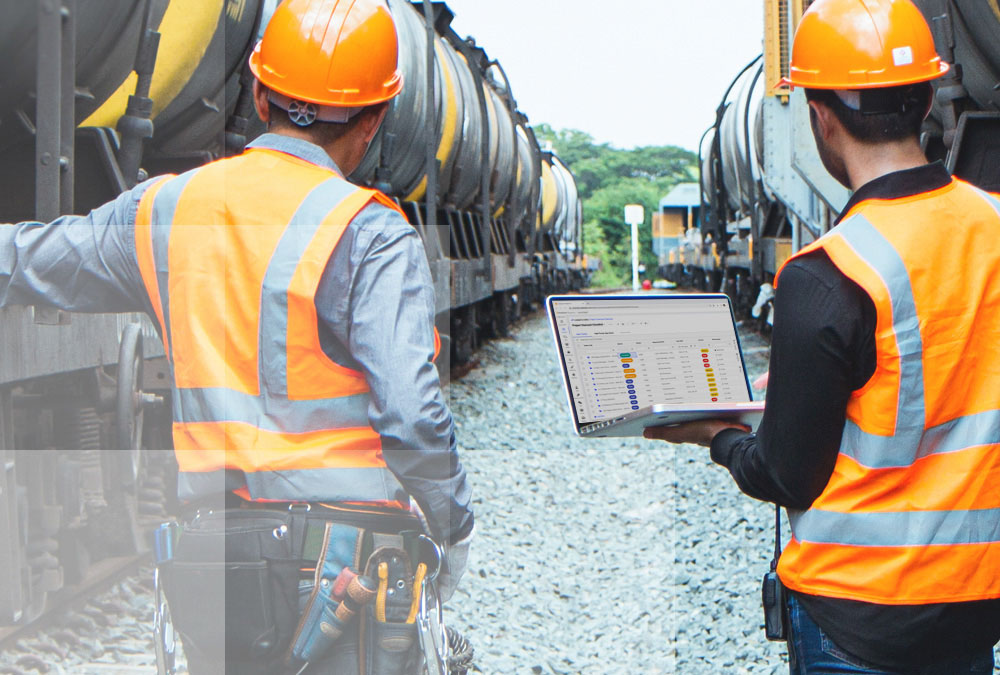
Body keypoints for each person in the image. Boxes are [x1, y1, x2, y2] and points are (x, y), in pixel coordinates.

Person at [0, 0, 473, 672]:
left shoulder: (165, 208)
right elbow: (412, 414)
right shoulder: (371, 234)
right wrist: (453, 527)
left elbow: (31, 258)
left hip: (215, 559)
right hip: (343, 561)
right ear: (373, 122)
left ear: (257, 93)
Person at [645, 0, 1000, 672]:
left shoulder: (826, 272)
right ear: (927, 100)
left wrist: (714, 434)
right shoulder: (994, 223)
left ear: (821, 119)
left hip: (855, 614)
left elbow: (783, 472)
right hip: (974, 606)